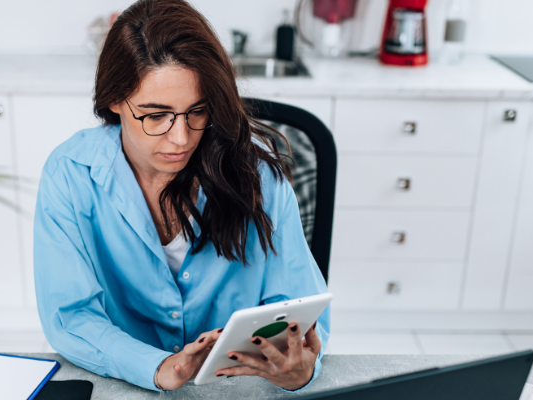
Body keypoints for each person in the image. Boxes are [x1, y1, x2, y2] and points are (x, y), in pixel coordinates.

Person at [33, 0, 330, 392]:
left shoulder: (259, 178)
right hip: (123, 386)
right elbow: (71, 317)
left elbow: (300, 314)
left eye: (198, 111)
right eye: (156, 115)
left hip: (234, 390)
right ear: (114, 100)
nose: (181, 138)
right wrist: (159, 366)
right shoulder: (70, 174)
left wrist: (300, 370)